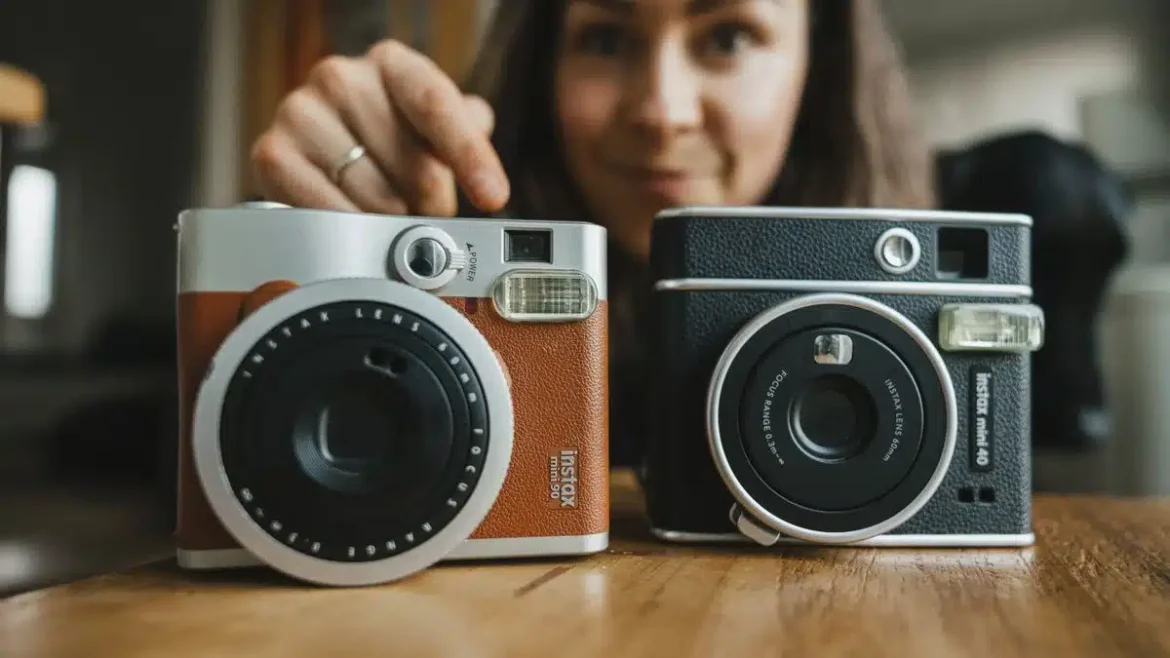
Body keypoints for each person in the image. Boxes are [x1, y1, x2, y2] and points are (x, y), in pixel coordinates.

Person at [249, 0, 935, 466]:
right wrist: (322, 245)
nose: (662, 112)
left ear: (822, 64)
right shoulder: (437, 231)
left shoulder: (1004, 212)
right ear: (542, 66)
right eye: (607, 38)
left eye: (727, 37)